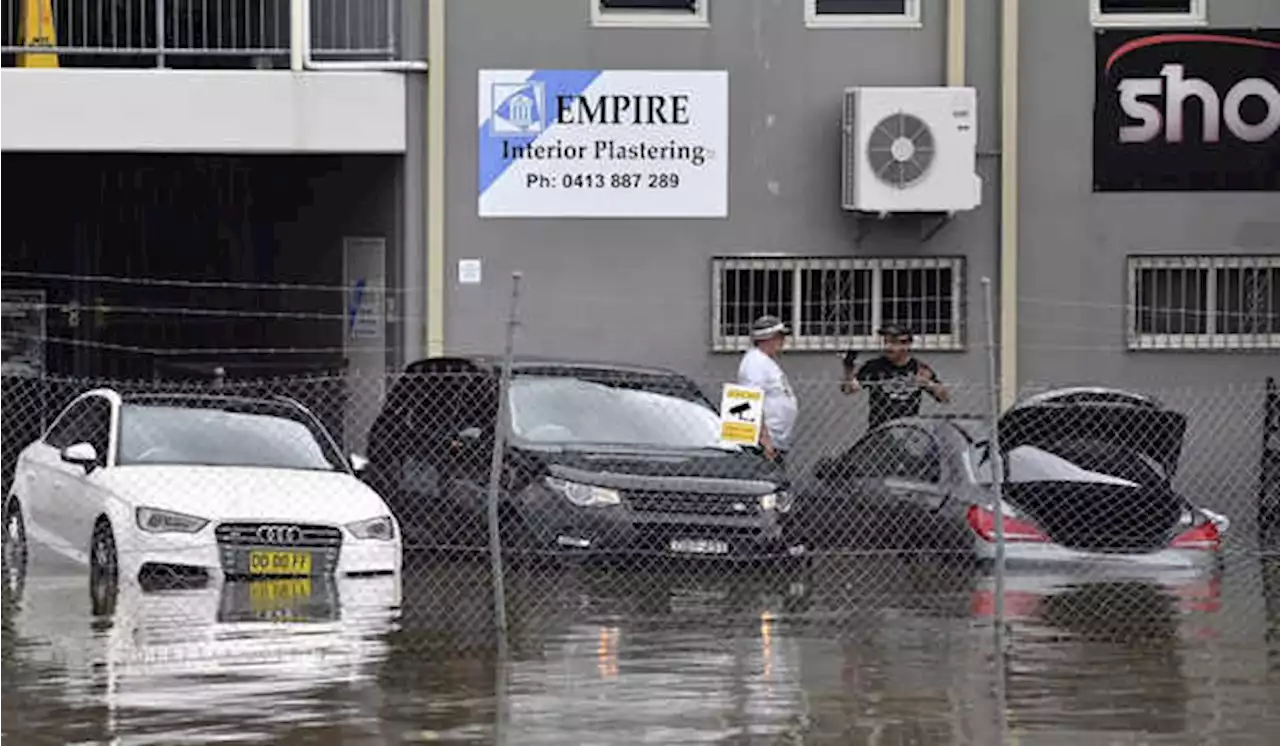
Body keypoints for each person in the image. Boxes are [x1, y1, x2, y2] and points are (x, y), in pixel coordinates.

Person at [841, 323, 949, 429]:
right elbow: (849, 389)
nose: (888, 347)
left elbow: (944, 398)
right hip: (880, 429)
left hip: (908, 429)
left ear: (906, 345)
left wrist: (928, 384)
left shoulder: (918, 368)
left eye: (893, 343)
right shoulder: (874, 366)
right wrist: (848, 369)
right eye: (886, 342)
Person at [737, 315, 798, 465]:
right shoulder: (755, 363)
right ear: (768, 338)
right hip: (762, 442)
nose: (782, 341)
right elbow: (750, 399)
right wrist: (763, 438)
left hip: (775, 439)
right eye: (779, 337)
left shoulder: (764, 361)